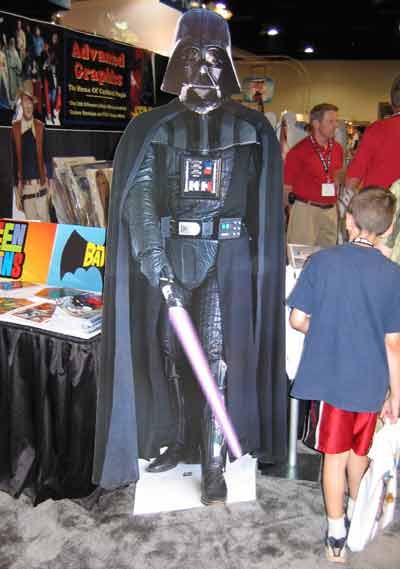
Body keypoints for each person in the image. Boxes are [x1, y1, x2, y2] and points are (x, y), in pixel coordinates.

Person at [92, 8, 286, 505]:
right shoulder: (152, 128)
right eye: (193, 57)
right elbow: (141, 195)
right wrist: (155, 262)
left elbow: (262, 206)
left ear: (228, 64)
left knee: (218, 357)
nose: (203, 69)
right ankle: (179, 439)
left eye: (214, 58)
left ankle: (214, 459)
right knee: (170, 353)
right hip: (173, 250)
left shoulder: (252, 129)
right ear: (178, 60)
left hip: (226, 257)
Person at [287, 187, 400, 562]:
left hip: (331, 378)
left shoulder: (322, 262)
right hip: (371, 382)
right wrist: (396, 394)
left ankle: (336, 532)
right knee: (360, 452)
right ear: (388, 229)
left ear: (347, 220)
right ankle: (356, 513)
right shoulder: (393, 274)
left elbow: (298, 320)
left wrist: (327, 329)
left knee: (333, 458)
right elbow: (393, 343)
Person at [284, 103, 344, 247]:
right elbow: (286, 187)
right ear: (316, 123)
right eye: (330, 121)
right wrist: (290, 212)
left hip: (330, 211)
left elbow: (337, 174)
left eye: (336, 121)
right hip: (305, 211)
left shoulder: (337, 149)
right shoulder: (298, 152)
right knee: (301, 259)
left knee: (327, 258)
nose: (335, 125)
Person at [345, 75, 400, 192]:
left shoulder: (378, 128)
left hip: (379, 203)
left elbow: (355, 174)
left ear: (392, 102)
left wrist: (346, 203)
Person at [11, 83, 52, 221]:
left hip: (41, 188)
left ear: (33, 105)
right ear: (21, 106)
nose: (28, 106)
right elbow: (14, 163)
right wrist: (17, 194)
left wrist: (50, 186)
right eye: (25, 103)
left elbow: (47, 157)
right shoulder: (15, 129)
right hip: (26, 191)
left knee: (46, 229)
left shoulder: (40, 127)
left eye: (30, 103)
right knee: (32, 230)